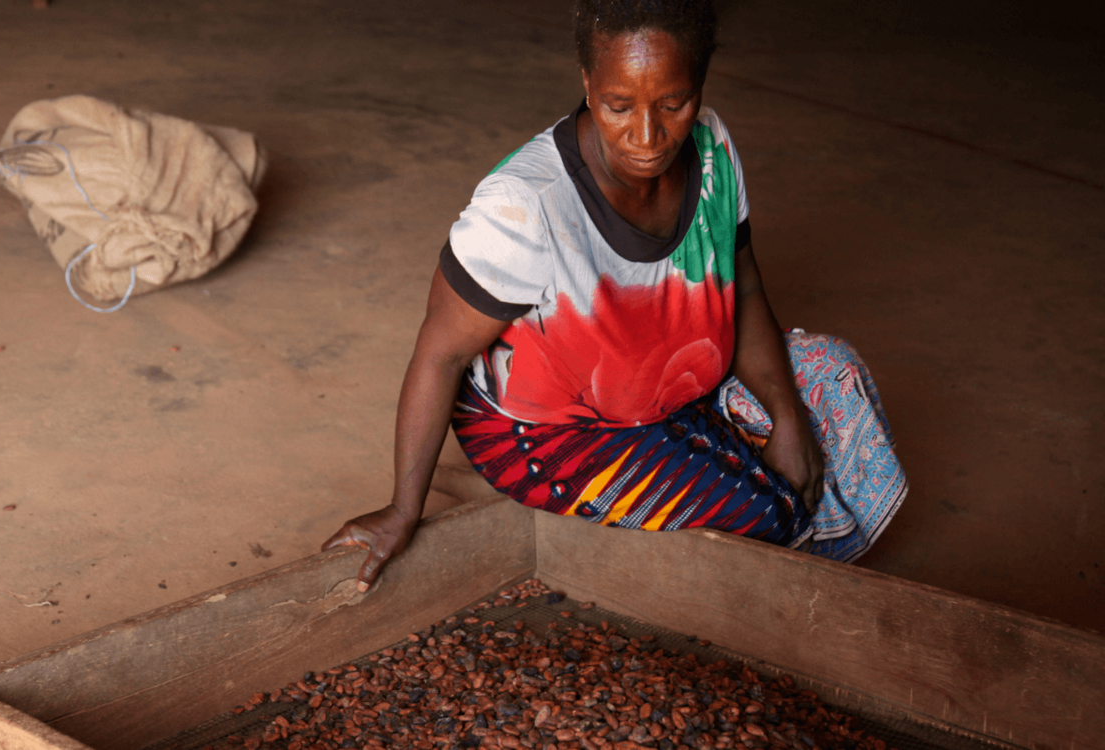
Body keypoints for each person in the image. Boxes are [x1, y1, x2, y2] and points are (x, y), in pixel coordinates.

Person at [323, 0, 907, 591]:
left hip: (669, 381)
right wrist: (403, 509)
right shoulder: (526, 208)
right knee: (766, 511)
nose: (647, 136)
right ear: (587, 82)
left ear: (700, 83)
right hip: (550, 430)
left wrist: (788, 419)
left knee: (833, 379)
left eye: (673, 103)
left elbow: (745, 283)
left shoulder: (713, 154)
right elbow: (440, 353)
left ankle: (686, 455)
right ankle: (550, 494)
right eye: (618, 105)